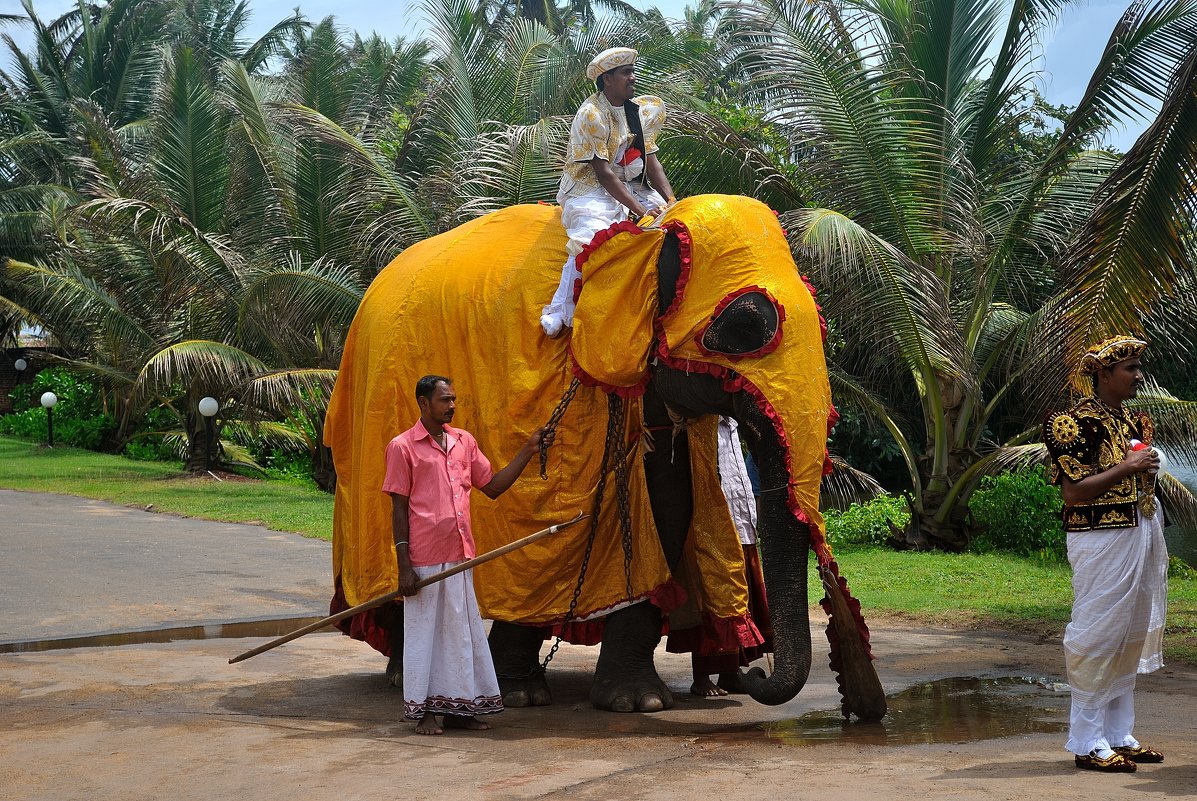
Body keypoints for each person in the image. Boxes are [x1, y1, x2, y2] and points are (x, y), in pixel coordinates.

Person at [384, 375, 552, 735]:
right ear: (424, 404)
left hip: (461, 555)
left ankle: (460, 710)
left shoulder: (464, 442)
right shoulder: (402, 447)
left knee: (460, 634)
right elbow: (399, 509)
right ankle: (424, 712)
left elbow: (492, 487)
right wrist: (404, 566)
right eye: (444, 400)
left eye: (454, 399)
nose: (451, 405)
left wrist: (528, 449)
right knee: (425, 635)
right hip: (424, 559)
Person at [1043, 336, 1168, 773]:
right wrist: (1128, 467)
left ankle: (1119, 734)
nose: (1138, 376)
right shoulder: (1071, 423)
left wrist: (1145, 468)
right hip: (1100, 536)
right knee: (1097, 633)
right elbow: (1073, 492)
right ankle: (1087, 740)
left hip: (1141, 530)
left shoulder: (1136, 421)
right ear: (1103, 374)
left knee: (1129, 630)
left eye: (1137, 367)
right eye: (1130, 368)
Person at [540, 46, 677, 337]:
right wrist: (641, 211)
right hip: (587, 187)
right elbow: (602, 173)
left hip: (627, 184)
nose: (633, 78)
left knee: (673, 224)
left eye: (632, 71)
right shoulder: (592, 114)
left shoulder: (640, 111)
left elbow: (652, 162)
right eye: (626, 73)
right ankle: (558, 311)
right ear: (607, 80)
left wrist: (671, 200)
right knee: (591, 238)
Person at [691, 416, 773, 696]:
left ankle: (730, 672)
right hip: (717, 531)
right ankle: (701, 677)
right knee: (714, 601)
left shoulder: (734, 426)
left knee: (742, 600)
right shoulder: (703, 424)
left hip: (742, 527)